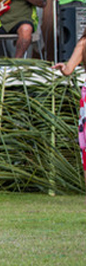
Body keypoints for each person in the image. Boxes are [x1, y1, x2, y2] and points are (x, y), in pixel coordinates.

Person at [52, 32, 86, 196]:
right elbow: (69, 69)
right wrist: (64, 68)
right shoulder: (83, 43)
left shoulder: (83, 43)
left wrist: (65, 69)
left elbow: (69, 69)